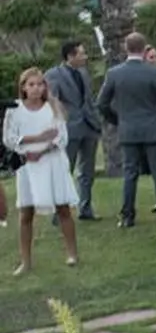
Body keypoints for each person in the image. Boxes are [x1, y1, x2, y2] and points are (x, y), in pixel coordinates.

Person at [5, 68, 80, 273]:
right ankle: (26, 261)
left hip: (52, 162)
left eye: (40, 84)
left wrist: (44, 149)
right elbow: (9, 138)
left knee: (63, 208)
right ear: (23, 87)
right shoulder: (14, 110)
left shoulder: (53, 107)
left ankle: (72, 253)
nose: (36, 89)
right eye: (31, 85)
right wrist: (36, 139)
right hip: (27, 165)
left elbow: (60, 137)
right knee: (26, 212)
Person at [96, 32, 156, 230]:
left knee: (130, 173)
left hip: (128, 129)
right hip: (152, 128)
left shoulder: (115, 73)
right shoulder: (154, 73)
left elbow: (101, 103)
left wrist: (118, 119)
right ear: (144, 47)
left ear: (125, 48)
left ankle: (128, 215)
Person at [46, 40, 100, 221]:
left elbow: (88, 99)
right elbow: (52, 100)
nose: (85, 57)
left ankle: (85, 209)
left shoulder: (83, 73)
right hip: (69, 128)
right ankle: (59, 211)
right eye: (82, 53)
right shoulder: (54, 74)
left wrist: (95, 118)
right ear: (70, 56)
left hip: (89, 126)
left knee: (87, 171)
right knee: (65, 169)